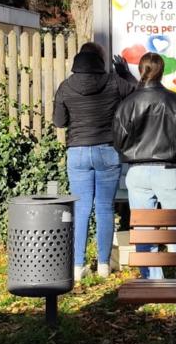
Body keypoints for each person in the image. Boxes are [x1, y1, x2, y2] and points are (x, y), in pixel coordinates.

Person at [112, 52, 176, 280]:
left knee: (144, 231)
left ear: (141, 70)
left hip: (137, 171)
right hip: (168, 170)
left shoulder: (127, 103)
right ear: (162, 71)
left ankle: (153, 281)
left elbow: (118, 140)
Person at [54, 43, 136, 279]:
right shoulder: (113, 82)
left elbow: (59, 122)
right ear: (100, 60)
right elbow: (138, 91)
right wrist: (124, 72)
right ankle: (103, 265)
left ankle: (77, 267)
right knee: (104, 207)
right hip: (107, 150)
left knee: (81, 208)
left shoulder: (66, 86)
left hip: (78, 152)